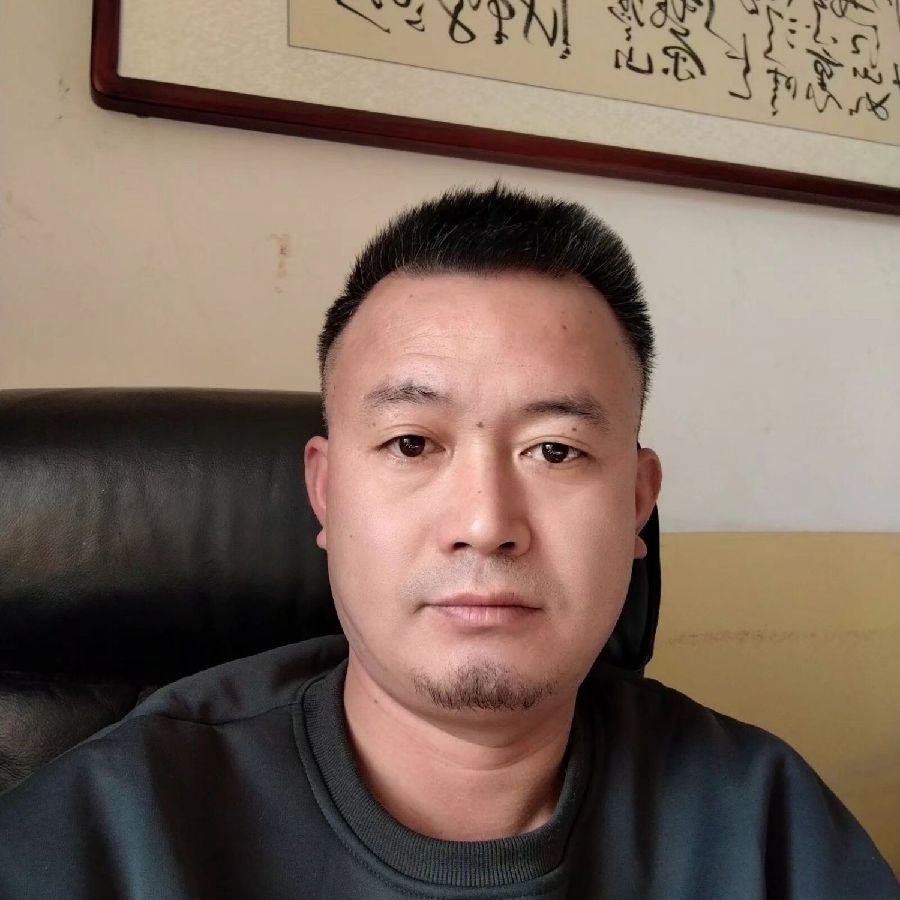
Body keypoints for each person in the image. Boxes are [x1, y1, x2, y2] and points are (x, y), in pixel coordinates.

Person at [0, 184, 896, 899]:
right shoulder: (113, 832)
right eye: (411, 444)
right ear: (325, 491)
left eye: (555, 450)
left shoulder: (763, 824)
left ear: (636, 505)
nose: (484, 523)